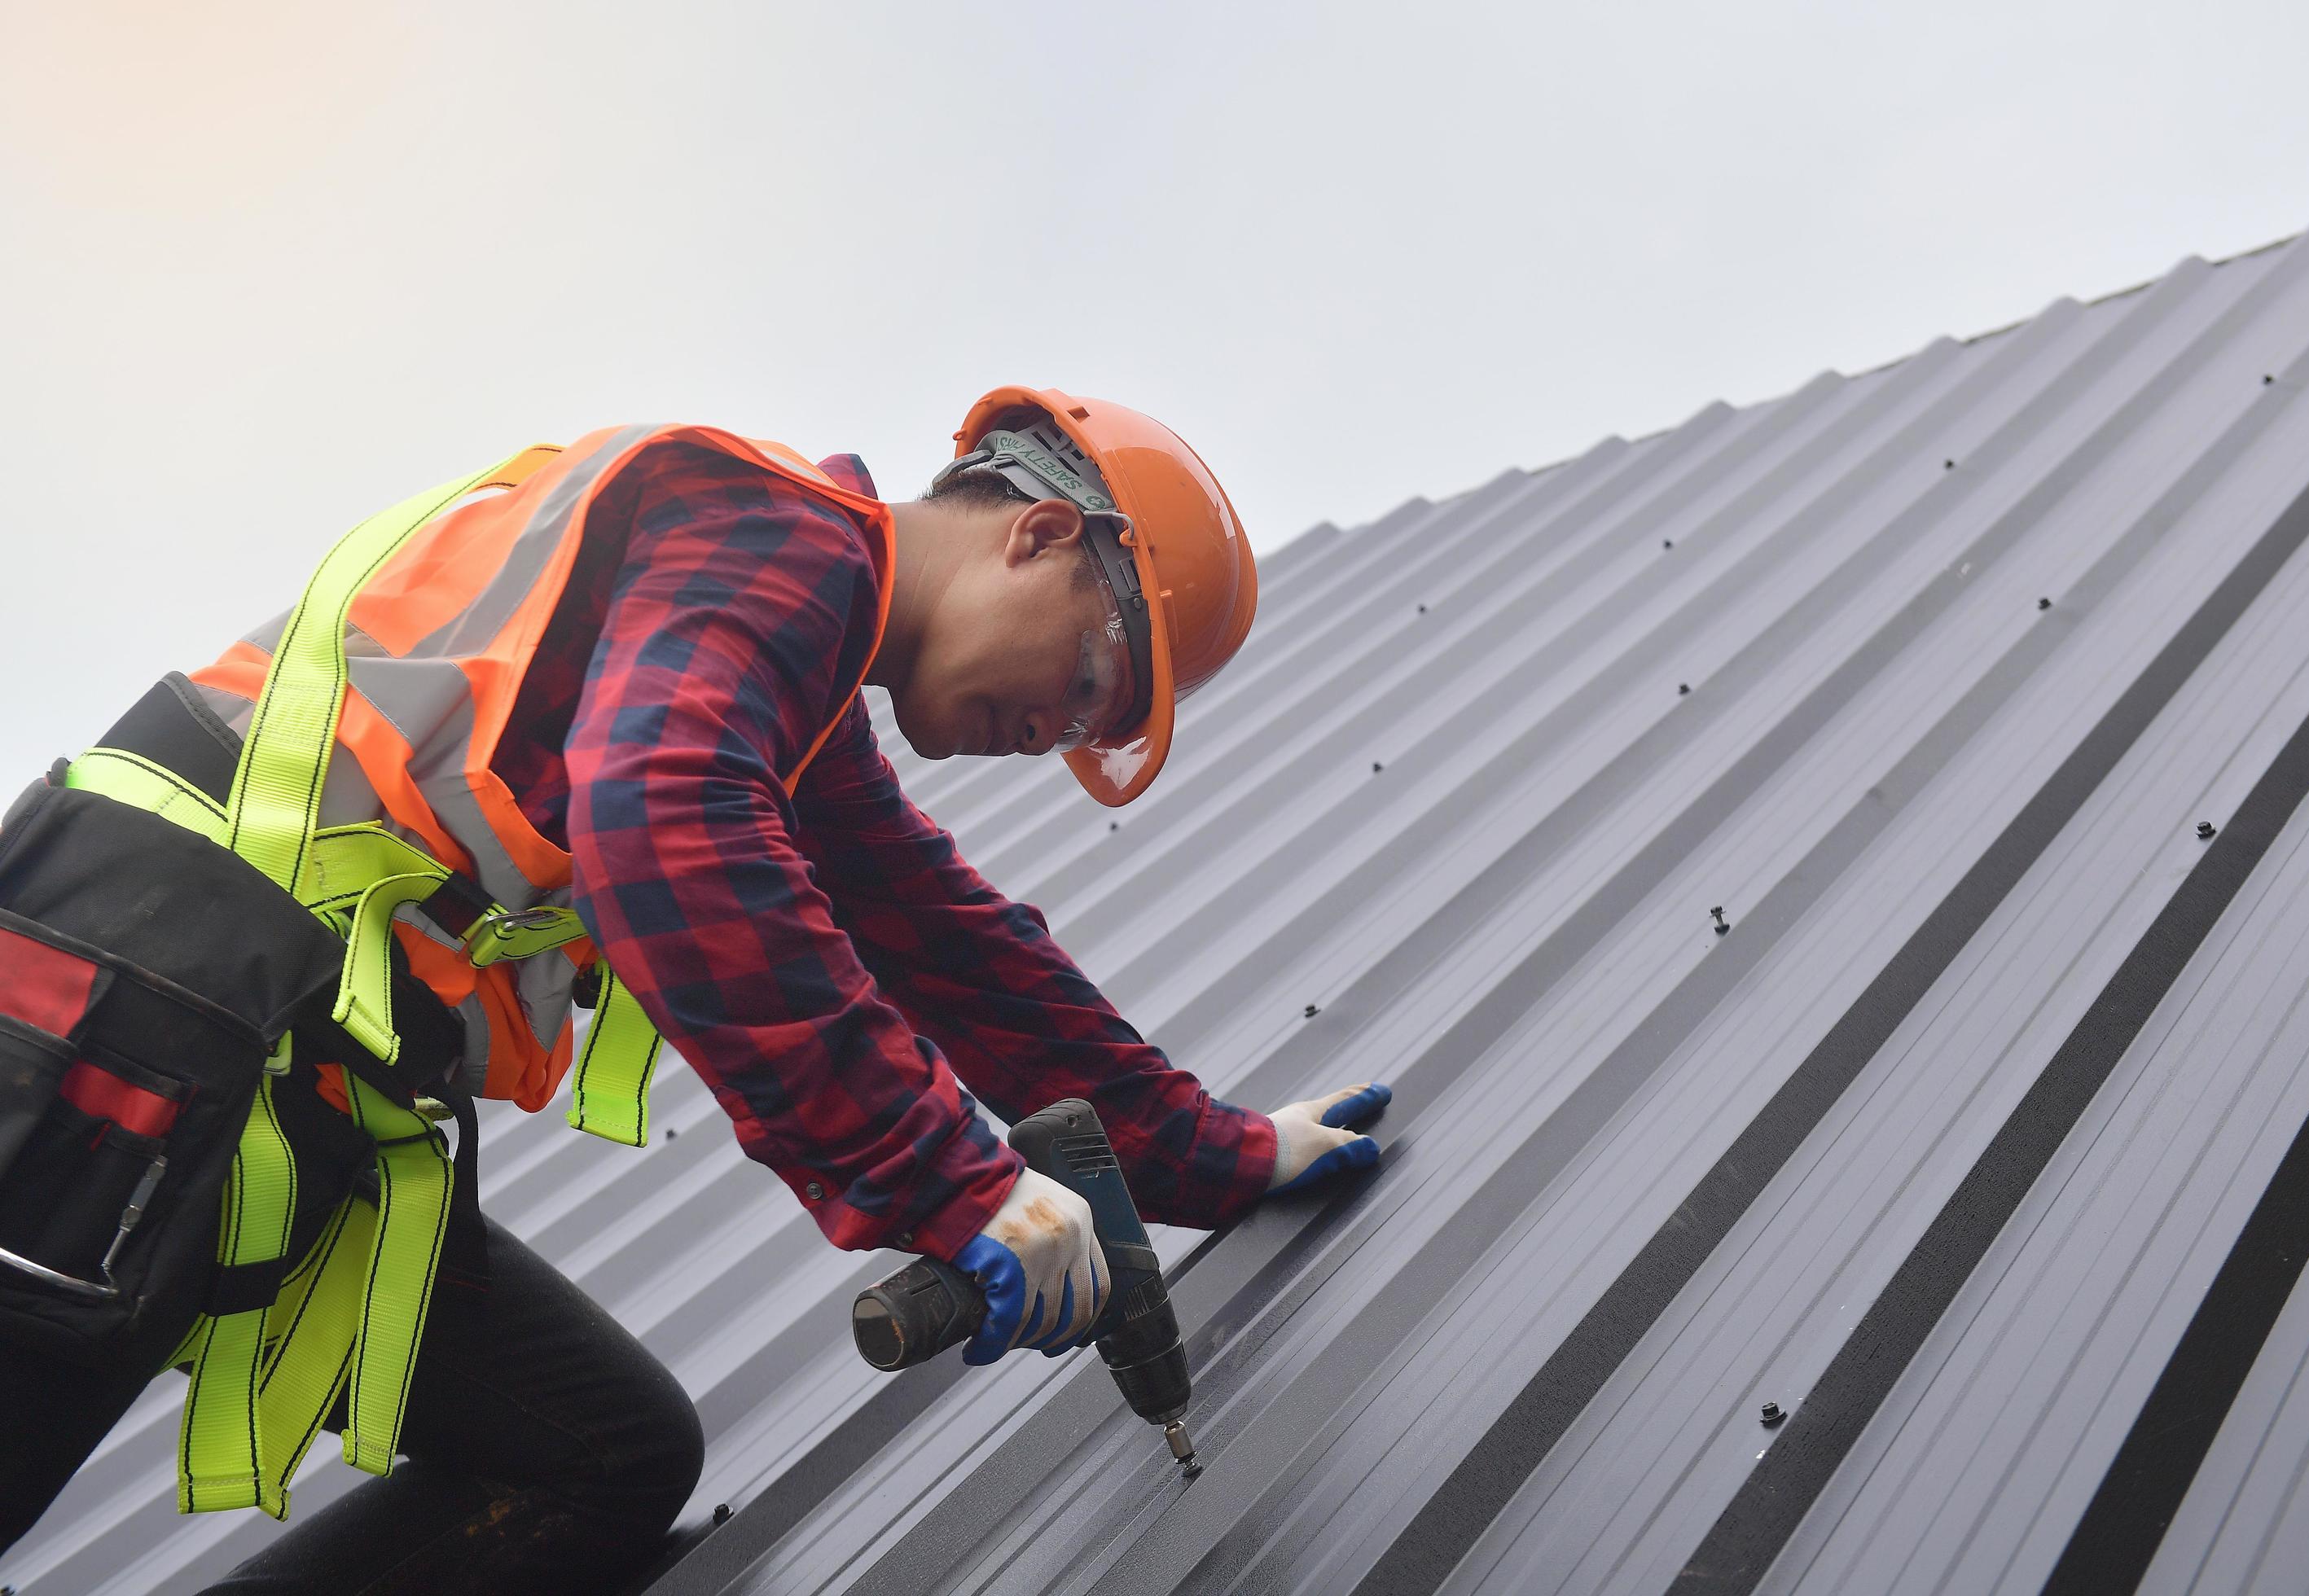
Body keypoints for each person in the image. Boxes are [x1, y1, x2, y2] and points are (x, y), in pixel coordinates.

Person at [0, 388, 1391, 1594]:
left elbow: (949, 939)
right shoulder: (774, 536)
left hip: (273, 1084)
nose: (1053, 735)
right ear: (1035, 535)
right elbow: (664, 814)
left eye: (1090, 734)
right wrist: (948, 1182)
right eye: (1092, 677)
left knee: (601, 1458)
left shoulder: (795, 680)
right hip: (116, 1010)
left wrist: (1220, 1150)